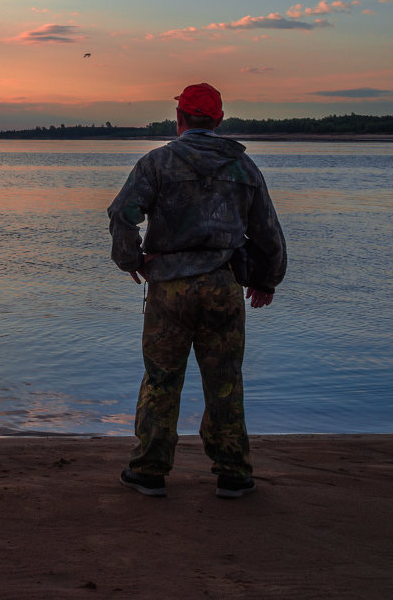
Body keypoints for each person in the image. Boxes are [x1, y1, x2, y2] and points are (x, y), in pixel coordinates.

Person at [108, 83, 286, 499]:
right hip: (223, 285)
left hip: (170, 288)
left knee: (161, 379)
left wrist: (131, 260)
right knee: (224, 380)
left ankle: (149, 470)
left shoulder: (157, 163)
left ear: (181, 119)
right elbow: (267, 232)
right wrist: (266, 279)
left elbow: (122, 214)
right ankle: (233, 472)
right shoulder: (243, 168)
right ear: (219, 120)